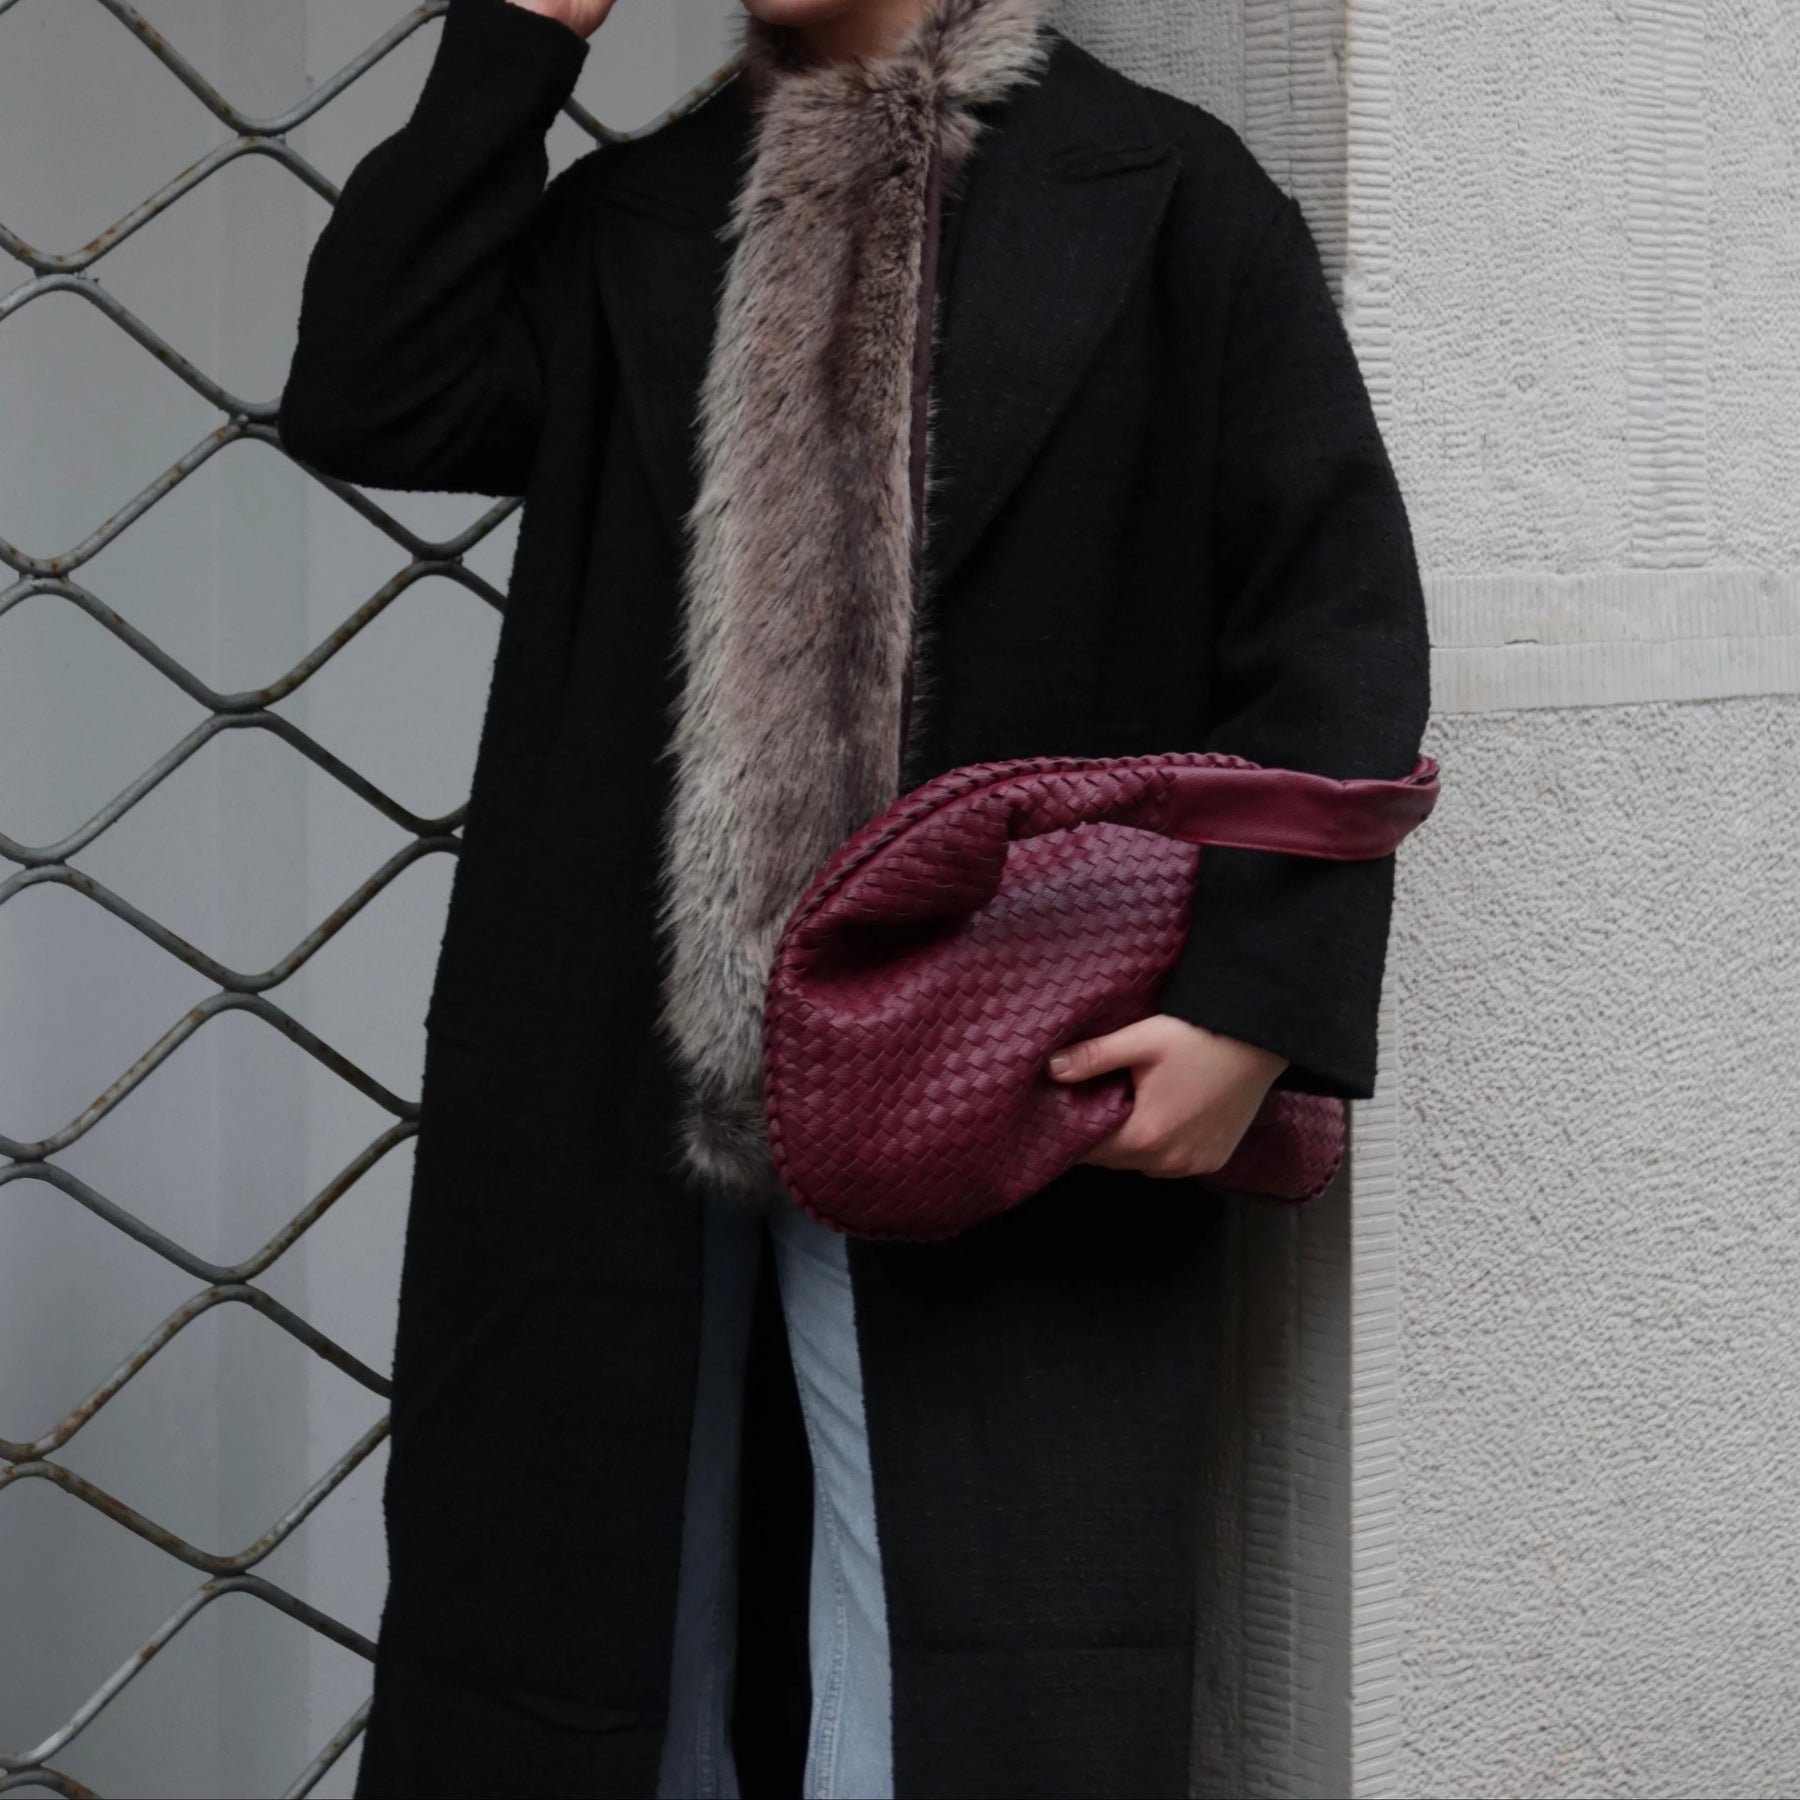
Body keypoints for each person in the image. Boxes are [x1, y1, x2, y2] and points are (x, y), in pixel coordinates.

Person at [275, 0, 1431, 1795]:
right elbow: (377, 387)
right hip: (624, 1077)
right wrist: (514, 41)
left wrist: (1251, 1005)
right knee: (593, 1607)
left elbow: (1332, 624)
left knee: (974, 1643)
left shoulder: (1167, 197)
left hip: (1007, 1070)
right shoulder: (644, 214)